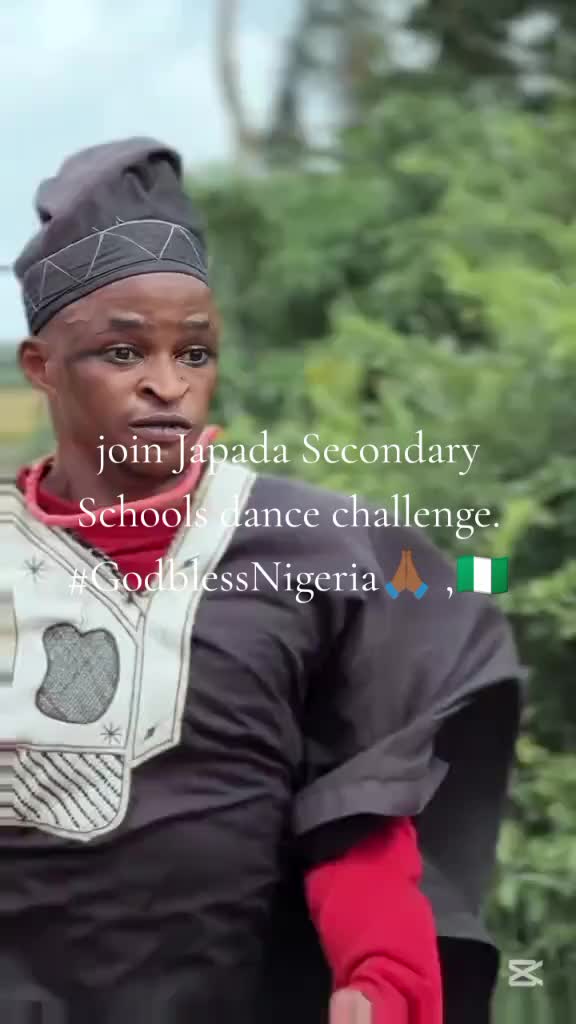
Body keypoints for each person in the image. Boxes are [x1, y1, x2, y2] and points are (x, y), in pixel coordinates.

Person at [0, 138, 521, 1024]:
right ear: (42, 367)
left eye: (194, 354)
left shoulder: (317, 552)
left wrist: (380, 979)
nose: (167, 385)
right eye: (122, 354)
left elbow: (361, 809)